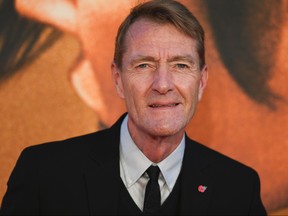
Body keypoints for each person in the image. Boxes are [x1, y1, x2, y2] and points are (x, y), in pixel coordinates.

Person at [0, 0, 267, 215]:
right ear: (118, 79)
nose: (163, 84)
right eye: (144, 65)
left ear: (201, 81)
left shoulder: (237, 189)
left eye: (180, 66)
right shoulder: (43, 176)